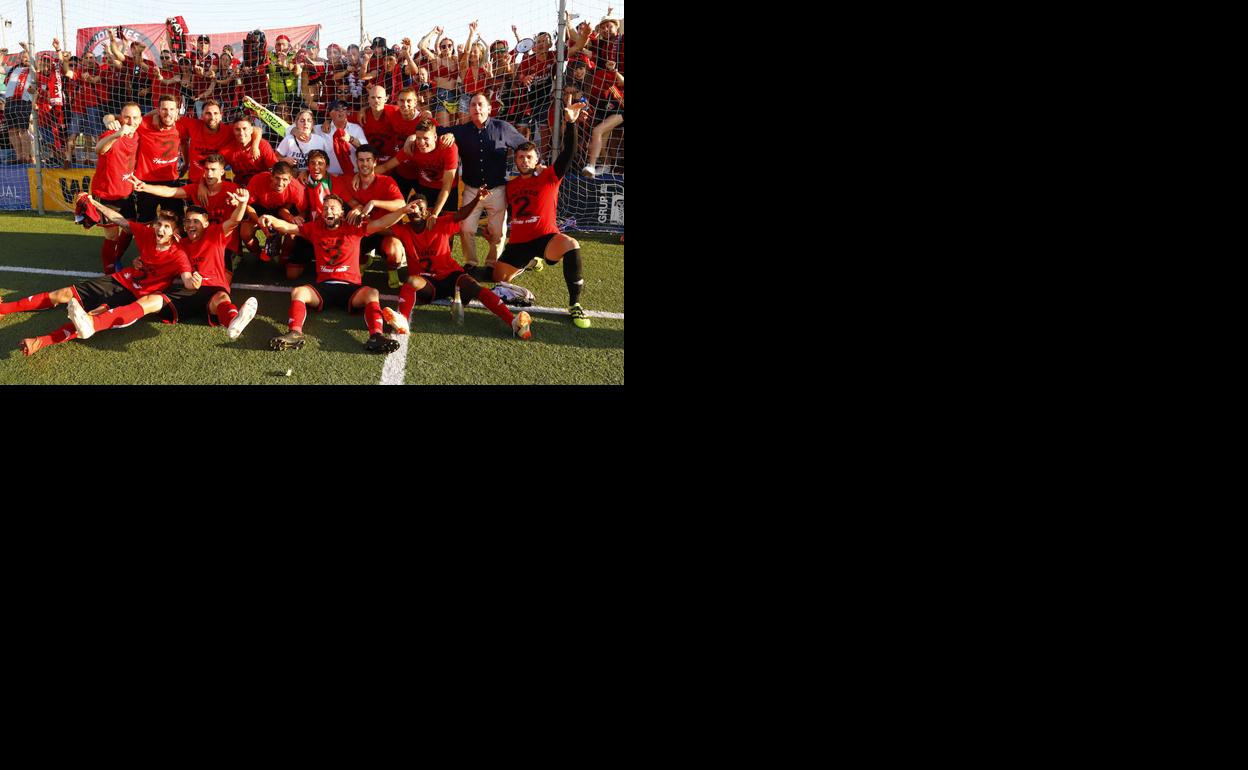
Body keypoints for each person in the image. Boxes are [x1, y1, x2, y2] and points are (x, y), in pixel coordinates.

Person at [1, 207, 192, 356]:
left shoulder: (179, 255)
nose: (161, 229)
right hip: (120, 279)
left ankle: (40, 341)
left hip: (135, 295)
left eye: (167, 227)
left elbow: (186, 278)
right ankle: (4, 308)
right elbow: (119, 220)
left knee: (89, 319)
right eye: (159, 224)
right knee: (62, 294)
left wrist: (194, 282)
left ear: (174, 232)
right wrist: (94, 203)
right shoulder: (146, 233)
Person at [260, 195, 420, 354]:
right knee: (298, 292)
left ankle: (376, 336)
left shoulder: (354, 227)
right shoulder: (314, 228)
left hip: (351, 288)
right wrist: (270, 219)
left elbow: (381, 223)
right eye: (325, 208)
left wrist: (404, 210)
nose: (328, 211)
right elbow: (288, 227)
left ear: (342, 213)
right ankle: (294, 333)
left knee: (372, 292)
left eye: (332, 208)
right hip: (324, 287)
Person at [385, 188, 532, 341]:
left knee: (474, 287)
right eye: (412, 207)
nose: (416, 210)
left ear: (426, 213)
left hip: (451, 276)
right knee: (410, 281)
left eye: (420, 208)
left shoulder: (439, 223)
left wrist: (477, 199)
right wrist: (402, 210)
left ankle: (513, 322)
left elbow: (461, 214)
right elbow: (381, 226)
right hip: (427, 283)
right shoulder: (403, 230)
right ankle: (403, 320)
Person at [496, 100, 592, 328]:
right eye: (520, 157)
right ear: (515, 161)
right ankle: (529, 261)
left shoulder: (549, 176)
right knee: (498, 280)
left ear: (537, 159)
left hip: (546, 237)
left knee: (571, 244)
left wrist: (571, 123)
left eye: (529, 157)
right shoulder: (510, 186)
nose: (524, 160)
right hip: (519, 242)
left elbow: (569, 152)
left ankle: (575, 304)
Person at [436, 92, 528, 276]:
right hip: (471, 190)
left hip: (498, 190)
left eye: (480, 105)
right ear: (468, 110)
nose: (476, 108)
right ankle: (470, 263)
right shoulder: (461, 130)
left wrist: (534, 165)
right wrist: (415, 136)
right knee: (466, 228)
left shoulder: (503, 128)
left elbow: (525, 146)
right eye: (473, 105)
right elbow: (434, 133)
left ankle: (493, 264)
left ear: (489, 108)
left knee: (497, 232)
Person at [152, 192, 259, 340]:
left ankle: (234, 321)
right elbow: (163, 262)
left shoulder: (215, 234)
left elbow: (234, 221)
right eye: (188, 221)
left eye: (196, 221)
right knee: (153, 301)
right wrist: (141, 261)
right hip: (189, 293)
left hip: (213, 290)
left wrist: (242, 203)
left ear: (206, 224)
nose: (191, 225)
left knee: (222, 298)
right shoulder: (180, 245)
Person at [128, 152, 243, 259]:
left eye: (213, 170)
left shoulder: (232, 189)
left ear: (222, 172)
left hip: (225, 244)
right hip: (200, 244)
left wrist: (238, 204)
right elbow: (171, 192)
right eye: (207, 169)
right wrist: (145, 187)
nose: (209, 174)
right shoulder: (196, 189)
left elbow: (242, 209)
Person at [330, 143, 405, 287]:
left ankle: (392, 273)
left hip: (384, 232)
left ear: (375, 161)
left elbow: (401, 204)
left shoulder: (386, 181)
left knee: (394, 251)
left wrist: (374, 203)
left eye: (368, 160)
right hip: (363, 232)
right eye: (361, 160)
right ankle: (363, 260)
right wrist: (356, 206)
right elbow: (329, 180)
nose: (364, 164)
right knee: (342, 248)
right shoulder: (349, 180)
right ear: (356, 162)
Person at [379, 117, 458, 245]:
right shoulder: (412, 147)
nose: (421, 142)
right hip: (426, 187)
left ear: (435, 137)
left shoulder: (448, 147)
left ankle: (445, 259)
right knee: (426, 226)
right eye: (418, 138)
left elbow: (447, 185)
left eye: (426, 138)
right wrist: (361, 175)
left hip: (448, 190)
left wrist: (435, 213)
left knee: (447, 229)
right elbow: (386, 166)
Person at [90, 102, 143, 272]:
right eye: (127, 117)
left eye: (135, 117)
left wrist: (108, 117)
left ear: (140, 120)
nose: (131, 121)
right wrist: (116, 134)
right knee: (112, 235)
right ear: (121, 118)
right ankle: (109, 270)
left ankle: (117, 257)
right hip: (107, 195)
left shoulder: (138, 135)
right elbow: (99, 149)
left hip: (126, 193)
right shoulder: (112, 133)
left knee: (130, 229)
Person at [240, 161, 307, 262]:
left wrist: (297, 219)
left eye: (284, 179)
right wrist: (259, 221)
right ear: (271, 176)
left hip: (282, 211)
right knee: (245, 233)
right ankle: (258, 255)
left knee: (293, 233)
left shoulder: (297, 188)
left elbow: (304, 210)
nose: (280, 183)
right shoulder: (258, 180)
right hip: (260, 209)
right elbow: (247, 205)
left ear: (290, 179)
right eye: (277, 178)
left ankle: (283, 258)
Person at [220, 115, 278, 187]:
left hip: (263, 186)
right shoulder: (226, 151)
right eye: (237, 129)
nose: (241, 133)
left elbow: (276, 168)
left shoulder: (263, 145)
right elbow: (219, 171)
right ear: (233, 131)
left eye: (244, 129)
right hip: (241, 187)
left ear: (251, 130)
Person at [313, 99, 367, 175]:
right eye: (337, 109)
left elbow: (365, 149)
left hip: (353, 175)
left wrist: (351, 139)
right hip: (330, 176)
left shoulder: (356, 128)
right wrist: (295, 130)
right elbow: (299, 128)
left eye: (344, 109)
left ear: (347, 112)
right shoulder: (319, 129)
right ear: (330, 113)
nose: (341, 111)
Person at [418, 26, 459, 127]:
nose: (447, 48)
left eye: (449, 45)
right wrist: (433, 32)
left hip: (456, 95)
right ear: (440, 48)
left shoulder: (456, 60)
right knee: (444, 129)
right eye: (443, 46)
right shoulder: (436, 60)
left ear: (453, 47)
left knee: (453, 129)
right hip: (442, 95)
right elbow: (421, 46)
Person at [2, 46, 34, 164]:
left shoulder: (32, 68)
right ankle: (19, 156)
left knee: (23, 129)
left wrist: (28, 50)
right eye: (22, 57)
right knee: (11, 130)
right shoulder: (13, 68)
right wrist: (1, 54)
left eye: (26, 57)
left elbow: (35, 65)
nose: (23, 59)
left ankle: (26, 156)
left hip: (24, 100)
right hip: (10, 101)